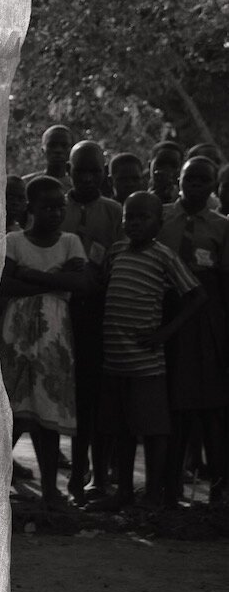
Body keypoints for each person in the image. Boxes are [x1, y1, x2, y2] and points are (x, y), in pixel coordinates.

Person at [100, 191, 203, 510]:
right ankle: (125, 492)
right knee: (122, 431)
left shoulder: (164, 256)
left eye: (142, 217)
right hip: (114, 361)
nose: (134, 223)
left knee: (154, 431)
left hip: (147, 363)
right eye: (129, 217)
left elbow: (197, 297)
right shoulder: (115, 252)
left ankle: (154, 494)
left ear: (159, 223)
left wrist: (165, 333)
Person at [0, 176, 92, 515]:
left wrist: (34, 277)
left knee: (47, 415)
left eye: (59, 207)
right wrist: (53, 283)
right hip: (17, 338)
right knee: (14, 414)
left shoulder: (70, 242)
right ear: (31, 208)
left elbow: (81, 283)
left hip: (55, 341)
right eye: (47, 207)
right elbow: (3, 284)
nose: (55, 213)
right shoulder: (14, 242)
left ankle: (51, 489)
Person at [157, 156, 229, 503]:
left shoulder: (221, 226)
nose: (195, 186)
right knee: (175, 403)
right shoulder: (162, 216)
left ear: (213, 187)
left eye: (203, 180)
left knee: (211, 404)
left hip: (207, 320)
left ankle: (218, 485)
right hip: (170, 316)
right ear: (179, 181)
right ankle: (170, 484)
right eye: (189, 179)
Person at [62, 140, 123, 500]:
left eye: (94, 171)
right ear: (69, 171)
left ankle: (97, 476)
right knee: (69, 395)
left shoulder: (115, 212)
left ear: (105, 173)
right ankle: (74, 473)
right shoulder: (57, 206)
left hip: (102, 313)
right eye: (79, 171)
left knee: (96, 398)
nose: (87, 178)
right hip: (62, 312)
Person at [149, 142, 183, 209]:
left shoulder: (185, 200)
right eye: (160, 164)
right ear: (149, 166)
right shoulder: (138, 197)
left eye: (173, 165)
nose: (167, 170)